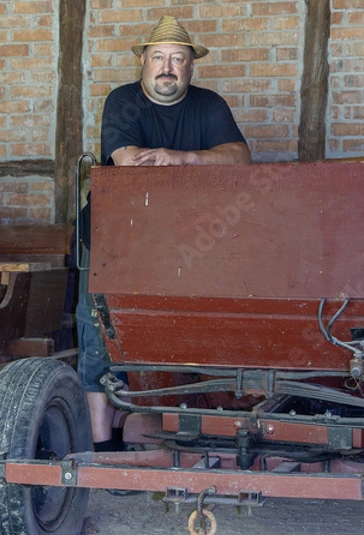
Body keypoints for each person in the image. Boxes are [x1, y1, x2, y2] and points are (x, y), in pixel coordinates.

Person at [78, 15, 251, 452]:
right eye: (158, 57)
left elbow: (239, 158)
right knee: (102, 336)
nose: (167, 67)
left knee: (172, 334)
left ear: (192, 67)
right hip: (116, 238)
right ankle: (104, 445)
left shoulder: (210, 106)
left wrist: (183, 158)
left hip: (187, 242)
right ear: (143, 63)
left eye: (178, 58)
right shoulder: (123, 101)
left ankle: (183, 429)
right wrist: (195, 162)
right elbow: (127, 160)